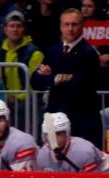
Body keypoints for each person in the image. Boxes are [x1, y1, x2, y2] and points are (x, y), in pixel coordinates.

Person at [30, 8, 102, 149]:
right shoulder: (52, 51)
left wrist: (50, 77)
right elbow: (35, 81)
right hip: (53, 117)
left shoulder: (88, 53)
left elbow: (78, 87)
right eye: (66, 24)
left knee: (80, 158)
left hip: (80, 120)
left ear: (82, 26)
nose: (70, 28)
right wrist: (57, 78)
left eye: (74, 24)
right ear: (61, 26)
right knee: (51, 157)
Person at [37, 112, 109, 172]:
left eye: (58, 134)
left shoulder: (84, 151)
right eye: (48, 134)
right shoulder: (42, 155)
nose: (52, 139)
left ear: (67, 134)